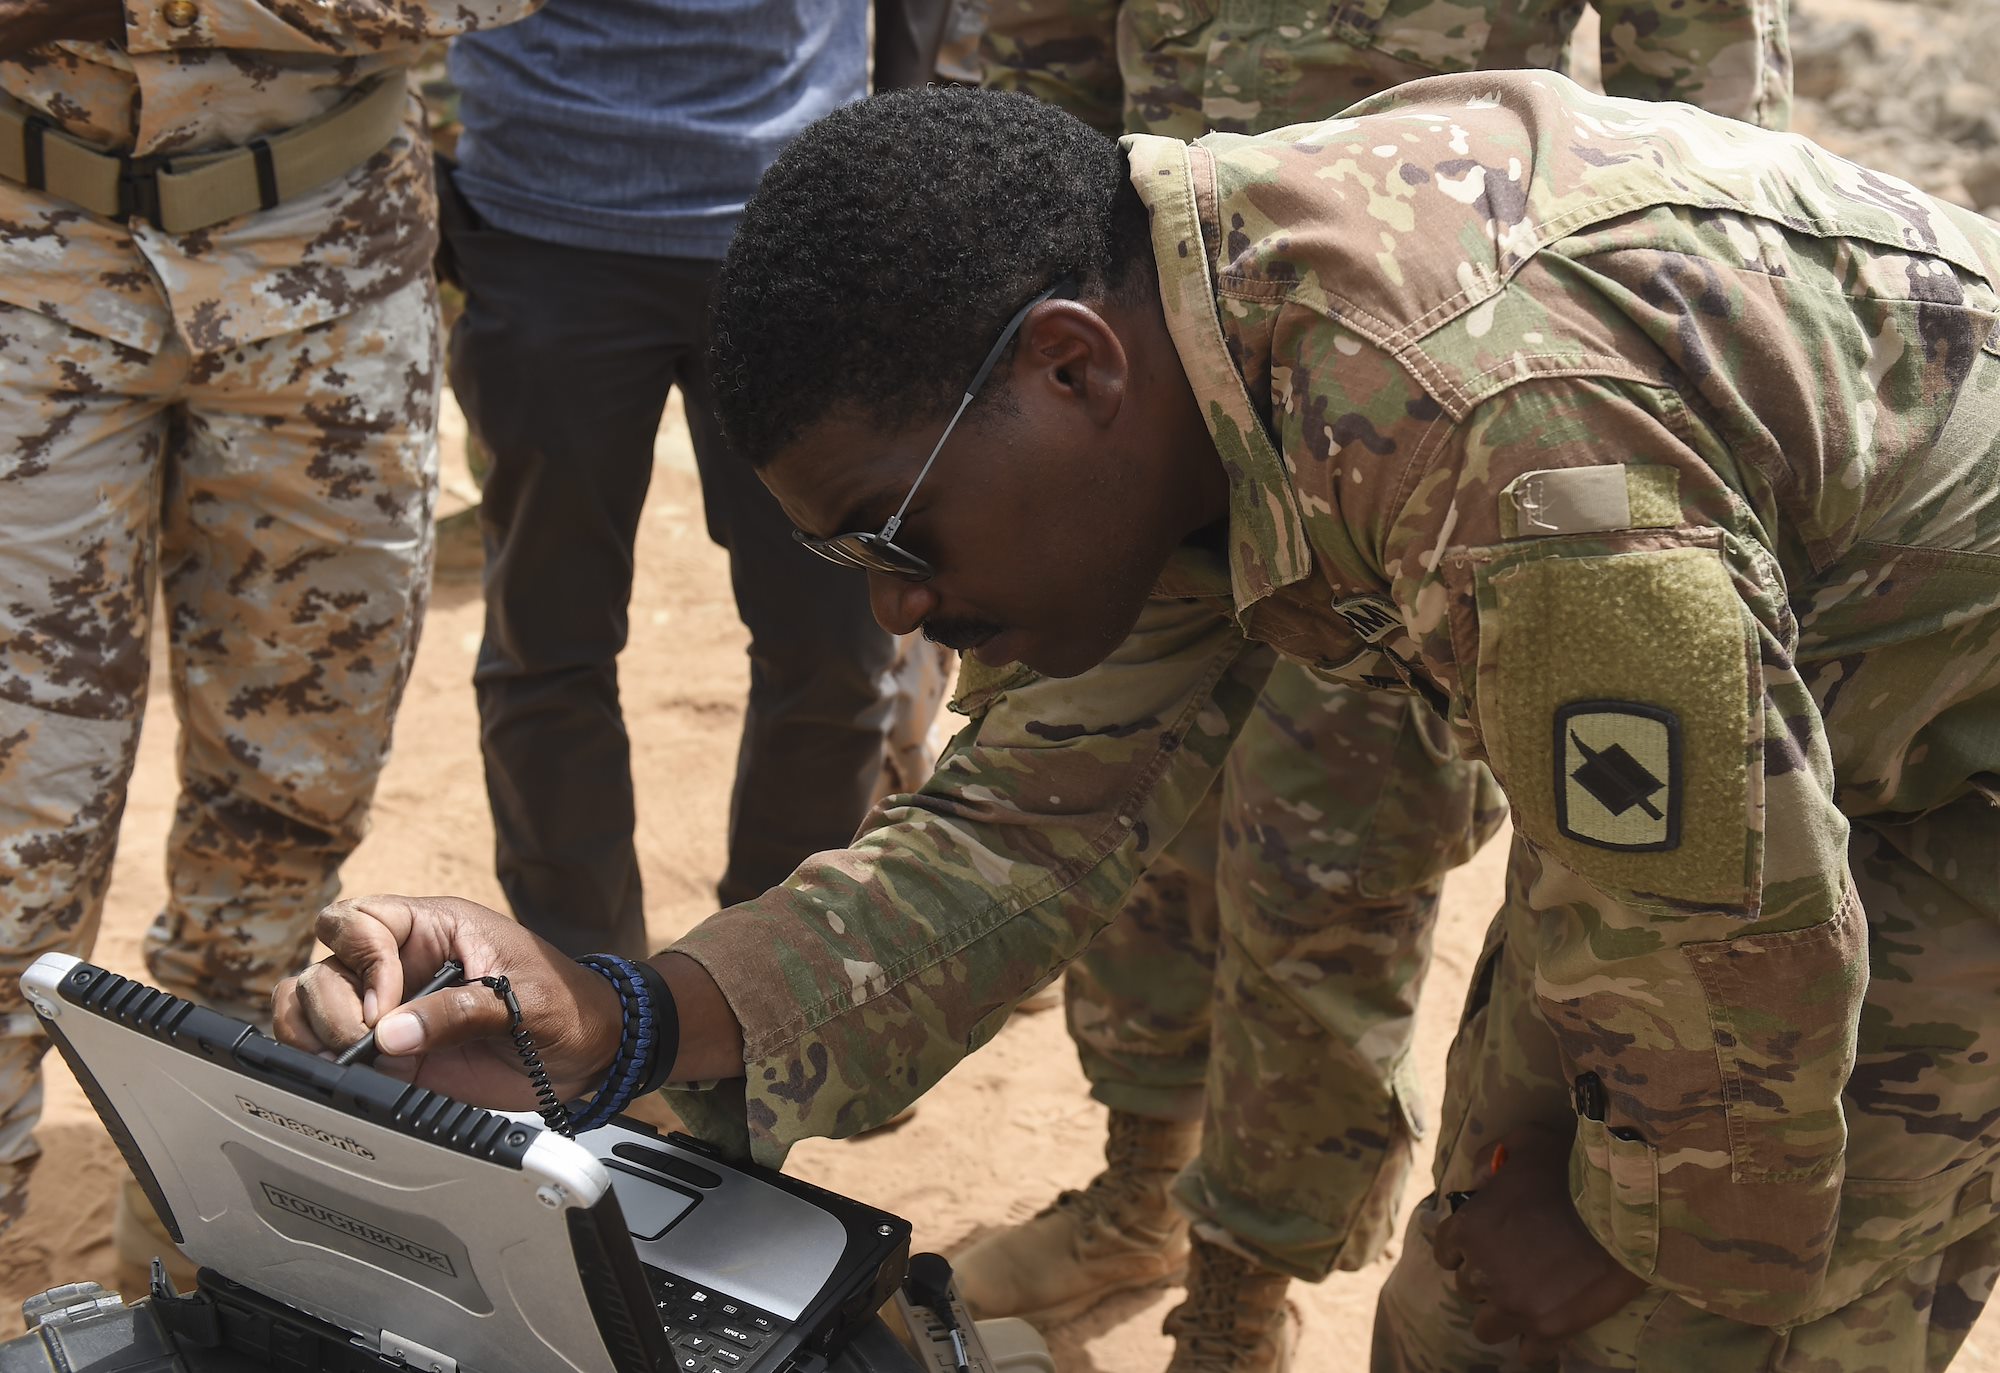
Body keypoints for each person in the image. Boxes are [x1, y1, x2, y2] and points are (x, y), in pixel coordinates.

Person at [278, 79, 2000, 1369]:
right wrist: (626, 1017)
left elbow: (1740, 952)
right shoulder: (1194, 355)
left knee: (1666, 1322)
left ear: (1070, 369)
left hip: (1950, 783)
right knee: (1484, 1303)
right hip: (1779, 737)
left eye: (894, 534)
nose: (890, 606)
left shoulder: (1508, 456)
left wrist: (1657, 1230)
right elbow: (1009, 831)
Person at [952, 1, 1790, 1365]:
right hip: (1136, 359)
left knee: (1331, 880)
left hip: (1418, 385)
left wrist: (1617, 366)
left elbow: (1696, 92)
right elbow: (1036, 45)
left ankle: (1242, 1292)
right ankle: (1139, 1187)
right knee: (1134, 828)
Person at [0, 0, 537, 1263]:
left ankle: (196, 1246)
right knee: (11, 825)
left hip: (327, 272)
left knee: (284, 818)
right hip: (28, 261)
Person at [441, 2, 961, 964]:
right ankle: (579, 997)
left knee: (836, 645)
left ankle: (762, 999)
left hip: (803, 224)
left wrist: (888, 152)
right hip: (545, 218)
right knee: (546, 640)